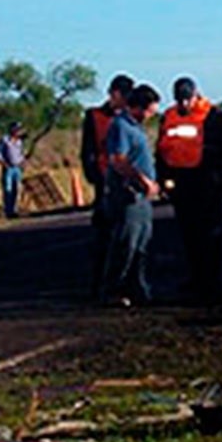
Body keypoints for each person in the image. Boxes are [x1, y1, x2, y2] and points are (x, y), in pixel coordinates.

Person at [157, 76, 222, 305]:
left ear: (195, 95)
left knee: (210, 233)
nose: (184, 104)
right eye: (180, 100)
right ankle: (196, 278)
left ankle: (212, 280)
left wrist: (221, 179)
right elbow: (161, 149)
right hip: (181, 181)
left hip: (205, 181)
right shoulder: (168, 116)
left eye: (187, 99)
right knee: (189, 233)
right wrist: (163, 178)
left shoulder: (212, 115)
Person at [101, 84, 161, 307]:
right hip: (128, 194)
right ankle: (114, 289)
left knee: (142, 243)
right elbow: (118, 160)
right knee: (126, 243)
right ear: (138, 107)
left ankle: (137, 287)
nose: (151, 115)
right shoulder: (121, 126)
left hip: (142, 196)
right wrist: (142, 180)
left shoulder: (137, 128)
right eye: (149, 111)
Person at [82, 74, 133, 298]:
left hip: (126, 181)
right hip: (105, 181)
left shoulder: (130, 117)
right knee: (104, 235)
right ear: (113, 94)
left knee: (126, 234)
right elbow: (88, 151)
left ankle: (123, 283)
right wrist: (95, 177)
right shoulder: (94, 116)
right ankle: (99, 284)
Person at [0, 122, 26, 219]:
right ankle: (8, 210)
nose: (18, 131)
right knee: (8, 189)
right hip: (8, 168)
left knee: (16, 189)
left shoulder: (19, 142)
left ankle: (14, 209)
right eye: (16, 129)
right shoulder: (4, 140)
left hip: (17, 168)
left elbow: (21, 153)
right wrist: (3, 163)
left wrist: (22, 162)